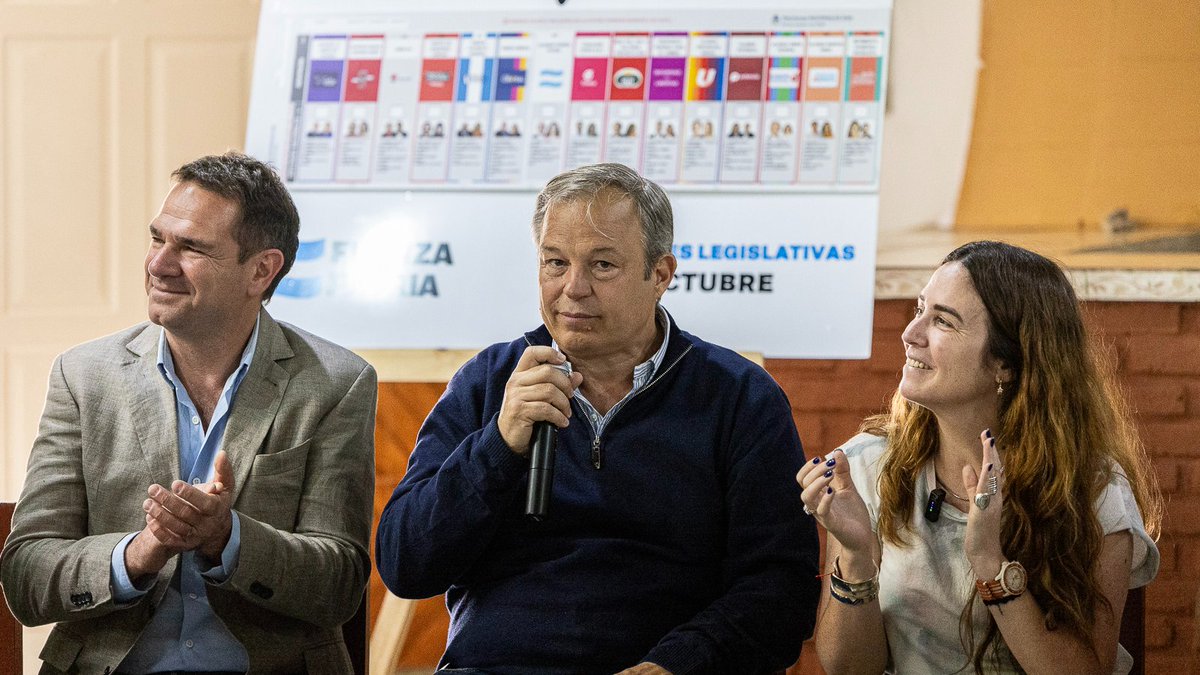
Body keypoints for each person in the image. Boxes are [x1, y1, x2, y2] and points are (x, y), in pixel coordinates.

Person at [376, 163, 819, 674]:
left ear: (661, 275)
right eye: (555, 263)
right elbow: (405, 564)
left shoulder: (739, 397)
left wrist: (676, 666)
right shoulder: (489, 381)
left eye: (602, 265)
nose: (573, 288)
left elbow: (779, 587)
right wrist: (498, 446)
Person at [1, 152, 378, 674]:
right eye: (158, 238)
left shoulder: (336, 382)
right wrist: (139, 552)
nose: (158, 263)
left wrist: (229, 538)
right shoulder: (83, 376)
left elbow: (338, 585)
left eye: (191, 247)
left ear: (261, 270)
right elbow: (26, 576)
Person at [797, 241, 1162, 674]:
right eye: (919, 310)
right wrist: (856, 558)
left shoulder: (1092, 488)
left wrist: (990, 562)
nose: (910, 333)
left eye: (943, 322)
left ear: (1005, 364)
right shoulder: (866, 466)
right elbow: (849, 669)